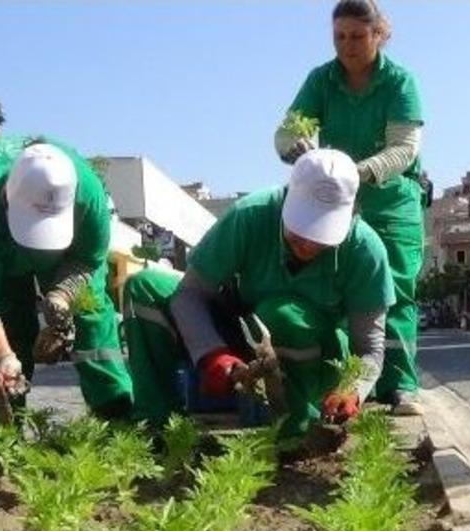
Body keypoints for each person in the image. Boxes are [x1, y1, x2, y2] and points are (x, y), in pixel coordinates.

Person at [122, 149, 395, 442]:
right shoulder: (250, 216)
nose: (307, 244)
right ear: (288, 199)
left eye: (321, 236)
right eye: (300, 230)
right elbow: (190, 294)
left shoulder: (366, 250)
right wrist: (211, 353)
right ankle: (157, 427)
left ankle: (296, 428)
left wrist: (352, 389)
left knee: (283, 314)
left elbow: (369, 347)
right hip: (248, 335)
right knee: (144, 287)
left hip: (318, 357)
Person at [274, 0, 424, 412]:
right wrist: (295, 146)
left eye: (357, 36)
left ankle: (401, 385)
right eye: (339, 36)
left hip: (391, 200)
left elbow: (404, 149)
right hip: (336, 200)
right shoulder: (321, 80)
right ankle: (353, 383)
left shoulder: (399, 82)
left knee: (394, 290)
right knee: (340, 284)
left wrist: (359, 172)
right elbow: (285, 133)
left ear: (378, 35)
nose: (347, 45)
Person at [0, 135, 133, 423]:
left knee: (91, 317)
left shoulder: (90, 197)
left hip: (66, 256)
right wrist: (5, 358)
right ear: (6, 199)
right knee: (5, 330)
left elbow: (88, 260)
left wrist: (61, 299)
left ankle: (117, 415)